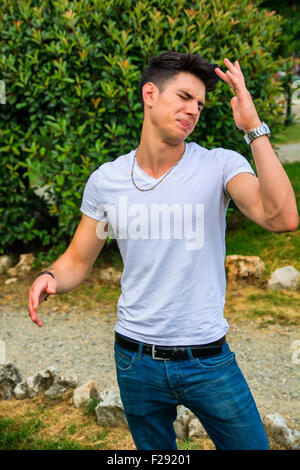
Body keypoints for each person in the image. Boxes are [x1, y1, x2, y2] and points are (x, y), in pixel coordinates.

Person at [28, 51, 298, 450]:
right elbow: (77, 260)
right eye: (185, 97)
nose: (194, 111)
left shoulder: (220, 166)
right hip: (135, 360)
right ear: (150, 93)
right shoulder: (108, 181)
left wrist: (254, 127)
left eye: (201, 104)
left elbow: (282, 217)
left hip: (207, 359)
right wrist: (49, 277)